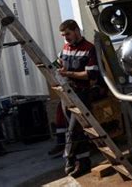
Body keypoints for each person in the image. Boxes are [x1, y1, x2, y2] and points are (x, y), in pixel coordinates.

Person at [55, 19, 100, 177]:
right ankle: (84, 163)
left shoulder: (89, 49)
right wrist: (59, 68)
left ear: (76, 30)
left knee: (74, 129)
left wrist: (68, 74)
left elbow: (91, 74)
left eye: (67, 34)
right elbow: (61, 62)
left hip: (81, 94)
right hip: (66, 93)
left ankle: (69, 158)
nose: (65, 38)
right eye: (63, 35)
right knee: (74, 130)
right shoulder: (65, 47)